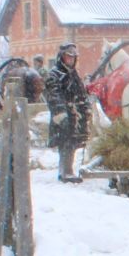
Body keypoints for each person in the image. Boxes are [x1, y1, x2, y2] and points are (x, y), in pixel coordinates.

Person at [45, 42, 92, 181]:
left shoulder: (74, 74)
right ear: (62, 57)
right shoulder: (54, 74)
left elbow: (81, 92)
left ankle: (68, 170)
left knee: (73, 142)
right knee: (65, 142)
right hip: (64, 114)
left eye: (73, 58)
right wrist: (61, 112)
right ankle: (65, 171)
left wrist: (85, 106)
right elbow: (54, 95)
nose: (70, 60)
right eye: (68, 57)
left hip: (76, 115)